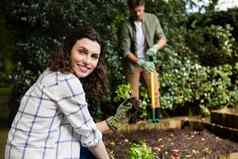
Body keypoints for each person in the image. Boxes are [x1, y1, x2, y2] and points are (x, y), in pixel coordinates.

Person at [5, 26, 132, 159]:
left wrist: (115, 120)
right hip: (34, 153)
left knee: (85, 149)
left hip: (21, 151)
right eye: (82, 52)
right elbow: (90, 137)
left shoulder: (53, 72)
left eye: (94, 56)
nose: (87, 61)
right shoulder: (67, 82)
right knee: (92, 153)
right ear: (69, 50)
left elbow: (82, 128)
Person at [120, 0, 167, 122]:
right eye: (135, 12)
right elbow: (125, 51)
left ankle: (155, 119)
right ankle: (133, 122)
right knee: (133, 95)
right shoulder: (126, 25)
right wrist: (140, 62)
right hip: (133, 64)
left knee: (155, 89)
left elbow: (163, 38)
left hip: (149, 62)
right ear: (130, 10)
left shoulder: (152, 19)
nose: (138, 14)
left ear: (143, 7)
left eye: (140, 10)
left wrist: (155, 48)